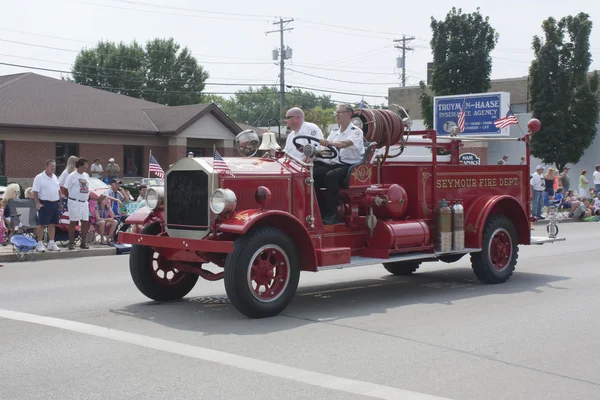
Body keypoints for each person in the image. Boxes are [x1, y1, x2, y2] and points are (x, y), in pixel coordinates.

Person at [313, 104, 365, 225]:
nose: (336, 114)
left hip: (350, 167)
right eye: (336, 112)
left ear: (349, 114)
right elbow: (326, 149)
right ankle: (321, 210)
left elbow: (345, 144)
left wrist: (329, 143)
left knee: (331, 176)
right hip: (334, 164)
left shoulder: (356, 132)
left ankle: (333, 214)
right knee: (312, 174)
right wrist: (315, 151)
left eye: (340, 112)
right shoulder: (334, 132)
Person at [32, 160, 63, 252]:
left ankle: (51, 243)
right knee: (41, 224)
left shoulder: (55, 177)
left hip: (54, 203)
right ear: (46, 166)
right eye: (51, 166)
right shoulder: (39, 177)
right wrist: (37, 203)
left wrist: (60, 203)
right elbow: (35, 191)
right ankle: (39, 243)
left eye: (54, 166)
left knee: (52, 224)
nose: (53, 168)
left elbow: (58, 190)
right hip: (44, 203)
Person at [64, 158, 91, 250]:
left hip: (84, 202)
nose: (87, 167)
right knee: (73, 221)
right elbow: (65, 189)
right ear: (79, 166)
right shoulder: (72, 176)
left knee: (85, 222)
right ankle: (71, 242)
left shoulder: (86, 175)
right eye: (85, 165)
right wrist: (71, 198)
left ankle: (83, 242)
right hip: (74, 201)